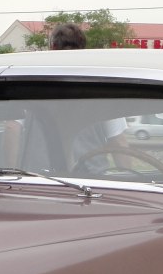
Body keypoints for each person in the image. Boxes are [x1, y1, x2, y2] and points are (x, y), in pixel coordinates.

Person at [47, 23, 133, 171]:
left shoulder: (32, 84)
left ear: (53, 47)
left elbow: (12, 128)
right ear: (83, 49)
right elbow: (118, 143)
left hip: (40, 179)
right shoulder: (99, 88)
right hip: (92, 181)